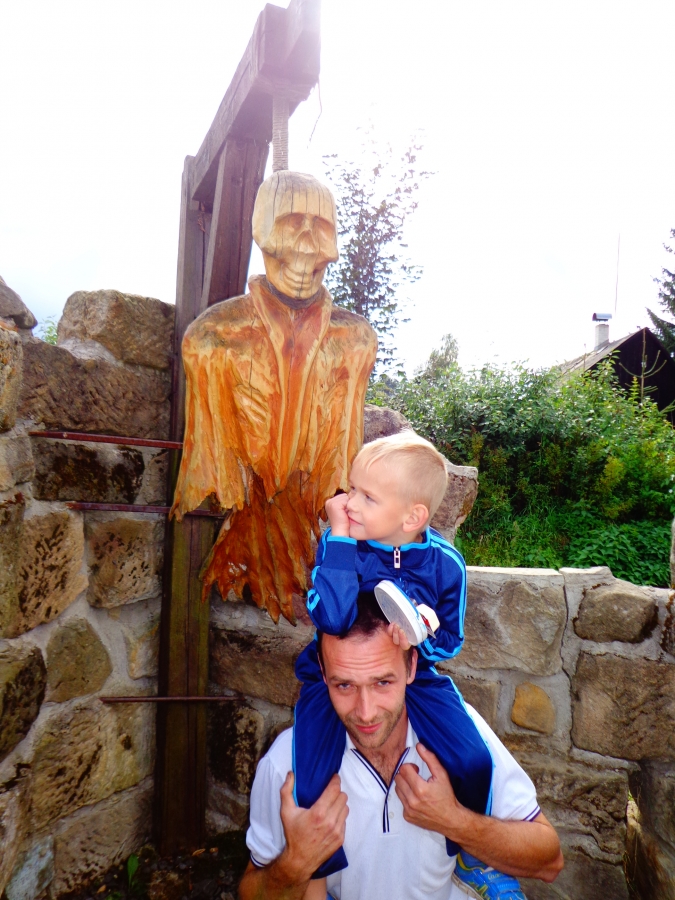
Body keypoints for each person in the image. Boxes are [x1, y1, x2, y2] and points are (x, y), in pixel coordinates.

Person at [292, 431, 518, 896]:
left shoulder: (445, 565)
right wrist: (339, 538)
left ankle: (471, 855)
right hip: (334, 677)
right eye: (352, 488)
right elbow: (330, 617)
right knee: (310, 774)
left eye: (367, 497)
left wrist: (421, 637)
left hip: (417, 677)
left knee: (473, 760)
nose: (349, 503)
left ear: (412, 516)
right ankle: (319, 870)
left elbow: (451, 640)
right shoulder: (341, 544)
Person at [239, 592, 563, 900]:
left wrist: (455, 821)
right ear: (322, 673)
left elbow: (549, 860)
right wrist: (296, 861)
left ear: (411, 667)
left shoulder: (458, 736)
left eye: (382, 682)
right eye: (345, 685)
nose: (365, 712)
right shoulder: (288, 765)